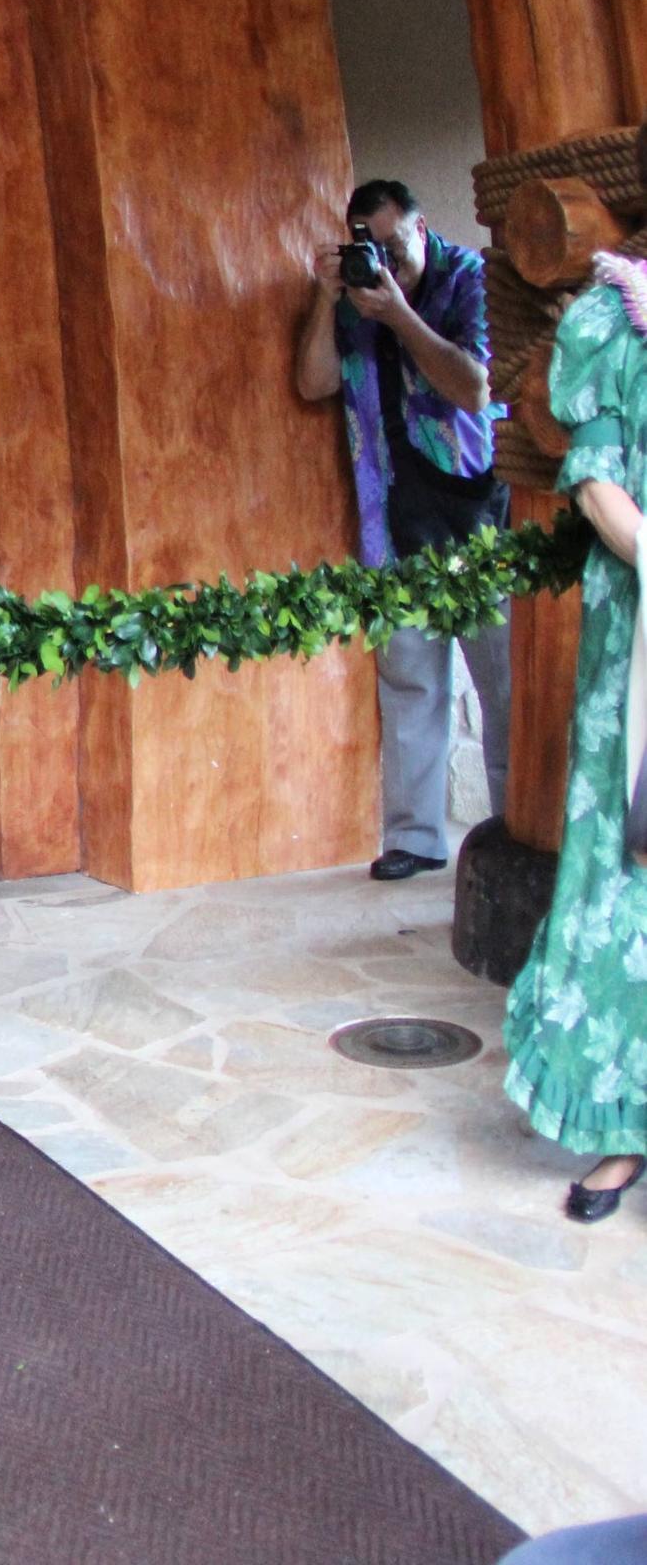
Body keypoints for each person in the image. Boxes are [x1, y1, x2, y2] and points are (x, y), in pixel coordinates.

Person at [295, 179, 511, 880]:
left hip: (480, 517)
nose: (383, 261)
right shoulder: (354, 297)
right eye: (370, 247)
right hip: (392, 517)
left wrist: (399, 317)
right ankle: (414, 838)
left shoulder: (473, 280)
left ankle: (517, 834)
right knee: (410, 683)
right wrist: (327, 299)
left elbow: (474, 386)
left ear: (422, 227)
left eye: (394, 245)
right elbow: (314, 384)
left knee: (505, 689)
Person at [501, 251, 647, 1226]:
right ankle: (627, 1128)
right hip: (644, 642)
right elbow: (596, 483)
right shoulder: (616, 318)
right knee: (631, 877)